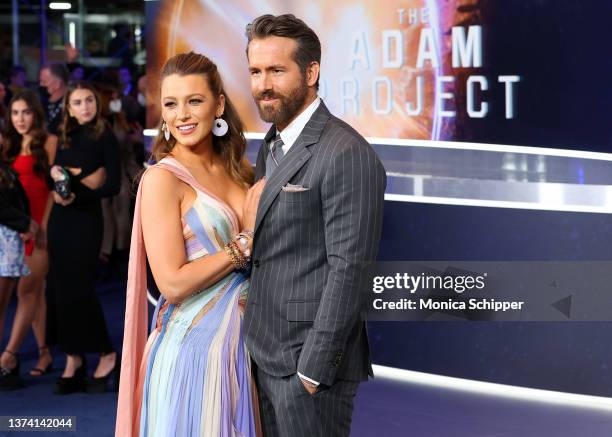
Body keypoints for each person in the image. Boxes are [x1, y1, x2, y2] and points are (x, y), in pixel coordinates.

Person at [243, 14, 387, 437]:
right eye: (255, 71)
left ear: (311, 72)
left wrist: (312, 370)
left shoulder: (347, 152)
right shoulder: (272, 142)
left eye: (276, 70)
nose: (263, 84)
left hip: (309, 369)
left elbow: (351, 270)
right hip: (264, 355)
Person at [116, 52, 264, 437]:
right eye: (171, 103)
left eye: (194, 101)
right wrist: (244, 242)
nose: (181, 114)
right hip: (191, 359)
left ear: (217, 104)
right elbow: (172, 283)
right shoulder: (162, 181)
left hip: (239, 354)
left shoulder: (240, 171)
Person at [46, 81, 120, 394]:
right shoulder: (65, 135)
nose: (85, 106)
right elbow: (53, 172)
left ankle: (106, 352)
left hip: (87, 221)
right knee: (59, 291)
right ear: (69, 108)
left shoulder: (105, 134)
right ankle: (73, 359)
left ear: (97, 103)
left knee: (81, 289)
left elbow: (113, 184)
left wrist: (78, 190)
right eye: (78, 102)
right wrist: (63, 180)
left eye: (89, 100)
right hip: (61, 221)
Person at [0, 91, 58, 388]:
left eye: (26, 112)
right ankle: (44, 352)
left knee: (29, 290)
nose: (20, 119)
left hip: (39, 225)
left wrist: (44, 225)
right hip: (12, 228)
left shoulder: (47, 142)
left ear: (35, 114)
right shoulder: (6, 145)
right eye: (15, 113)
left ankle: (9, 355)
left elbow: (51, 189)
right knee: (34, 294)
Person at [0, 157, 38, 390]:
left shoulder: (6, 169)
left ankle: (8, 358)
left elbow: (19, 201)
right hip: (10, 236)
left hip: (8, 240)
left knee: (4, 302)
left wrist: (26, 224)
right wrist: (25, 223)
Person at [39, 62, 69, 135]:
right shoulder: (42, 104)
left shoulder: (71, 107)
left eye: (44, 81)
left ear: (58, 84)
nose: (41, 84)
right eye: (40, 81)